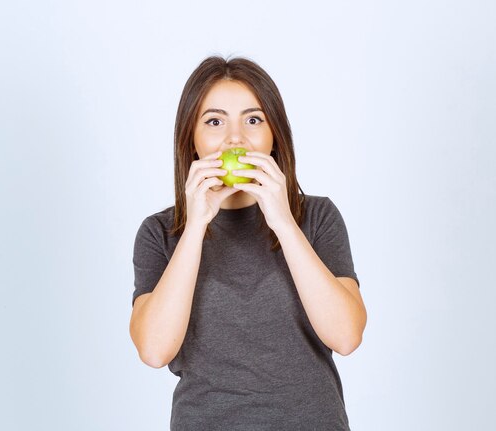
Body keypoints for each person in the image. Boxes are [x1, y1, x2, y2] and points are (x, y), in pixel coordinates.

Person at [129, 55, 367, 430]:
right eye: (214, 121)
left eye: (253, 120)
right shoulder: (161, 232)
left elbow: (347, 336)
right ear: (192, 140)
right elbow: (155, 350)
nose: (235, 138)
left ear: (274, 137)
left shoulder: (317, 218)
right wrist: (194, 228)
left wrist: (284, 222)